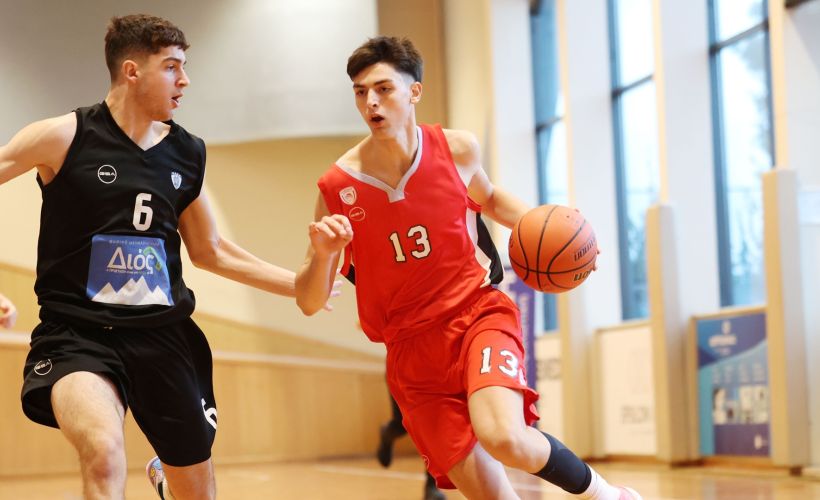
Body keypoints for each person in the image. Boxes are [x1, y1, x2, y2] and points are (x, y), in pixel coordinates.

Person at [295, 36, 642, 500]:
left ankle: (609, 496)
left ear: (414, 91)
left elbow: (490, 198)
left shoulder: (456, 149)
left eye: (383, 89)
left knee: (505, 437)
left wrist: (560, 233)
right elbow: (309, 301)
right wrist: (323, 254)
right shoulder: (337, 187)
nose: (371, 102)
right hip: (411, 352)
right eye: (361, 92)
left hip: (476, 315)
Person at [0, 14, 328, 500]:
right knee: (104, 452)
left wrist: (299, 283)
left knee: (197, 491)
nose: (185, 80)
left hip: (163, 335)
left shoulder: (186, 153)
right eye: (172, 66)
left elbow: (211, 250)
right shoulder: (62, 136)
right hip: (77, 334)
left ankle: (169, 482)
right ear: (132, 71)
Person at [378, 392, 445, 500]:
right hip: (403, 382)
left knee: (435, 425)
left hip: (438, 384)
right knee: (402, 424)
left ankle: (431, 486)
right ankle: (387, 433)